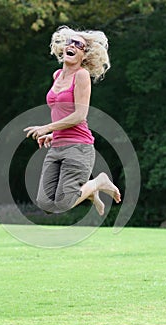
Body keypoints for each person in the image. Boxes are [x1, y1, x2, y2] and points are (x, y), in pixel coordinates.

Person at [24, 25, 121, 215]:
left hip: (79, 147)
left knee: (63, 203)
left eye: (79, 45)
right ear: (63, 47)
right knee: (45, 204)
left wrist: (47, 128)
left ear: (84, 56)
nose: (73, 46)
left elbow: (80, 115)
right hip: (57, 146)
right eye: (70, 42)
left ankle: (97, 183)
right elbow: (62, 112)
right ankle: (90, 192)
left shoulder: (82, 75)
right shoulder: (57, 75)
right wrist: (54, 133)